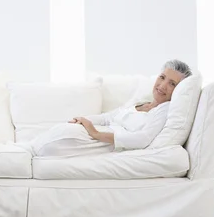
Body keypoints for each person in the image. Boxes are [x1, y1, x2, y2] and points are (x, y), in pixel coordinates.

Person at [25, 59, 192, 157]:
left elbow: (143, 138)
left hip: (99, 142)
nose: (162, 85)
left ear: (178, 90)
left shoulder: (164, 110)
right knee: (32, 146)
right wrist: (84, 120)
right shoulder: (141, 102)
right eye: (162, 77)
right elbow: (108, 117)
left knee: (40, 148)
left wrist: (95, 133)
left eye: (172, 84)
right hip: (90, 133)